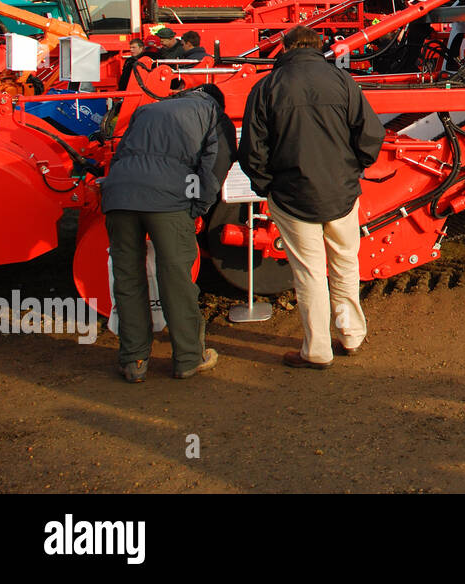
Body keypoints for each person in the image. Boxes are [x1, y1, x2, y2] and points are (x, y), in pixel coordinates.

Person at [238, 26, 385, 369]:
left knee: (310, 273)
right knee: (346, 263)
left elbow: (252, 152)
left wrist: (266, 186)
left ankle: (317, 350)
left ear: (285, 48)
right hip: (342, 192)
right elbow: (371, 134)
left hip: (292, 195)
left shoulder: (266, 87)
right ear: (320, 48)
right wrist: (353, 170)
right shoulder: (343, 81)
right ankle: (351, 335)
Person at [99, 84, 230, 381]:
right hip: (168, 201)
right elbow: (212, 170)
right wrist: (198, 206)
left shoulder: (146, 110)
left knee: (128, 276)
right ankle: (187, 358)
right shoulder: (213, 115)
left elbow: (120, 155)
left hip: (119, 196)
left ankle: (134, 361)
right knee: (175, 276)